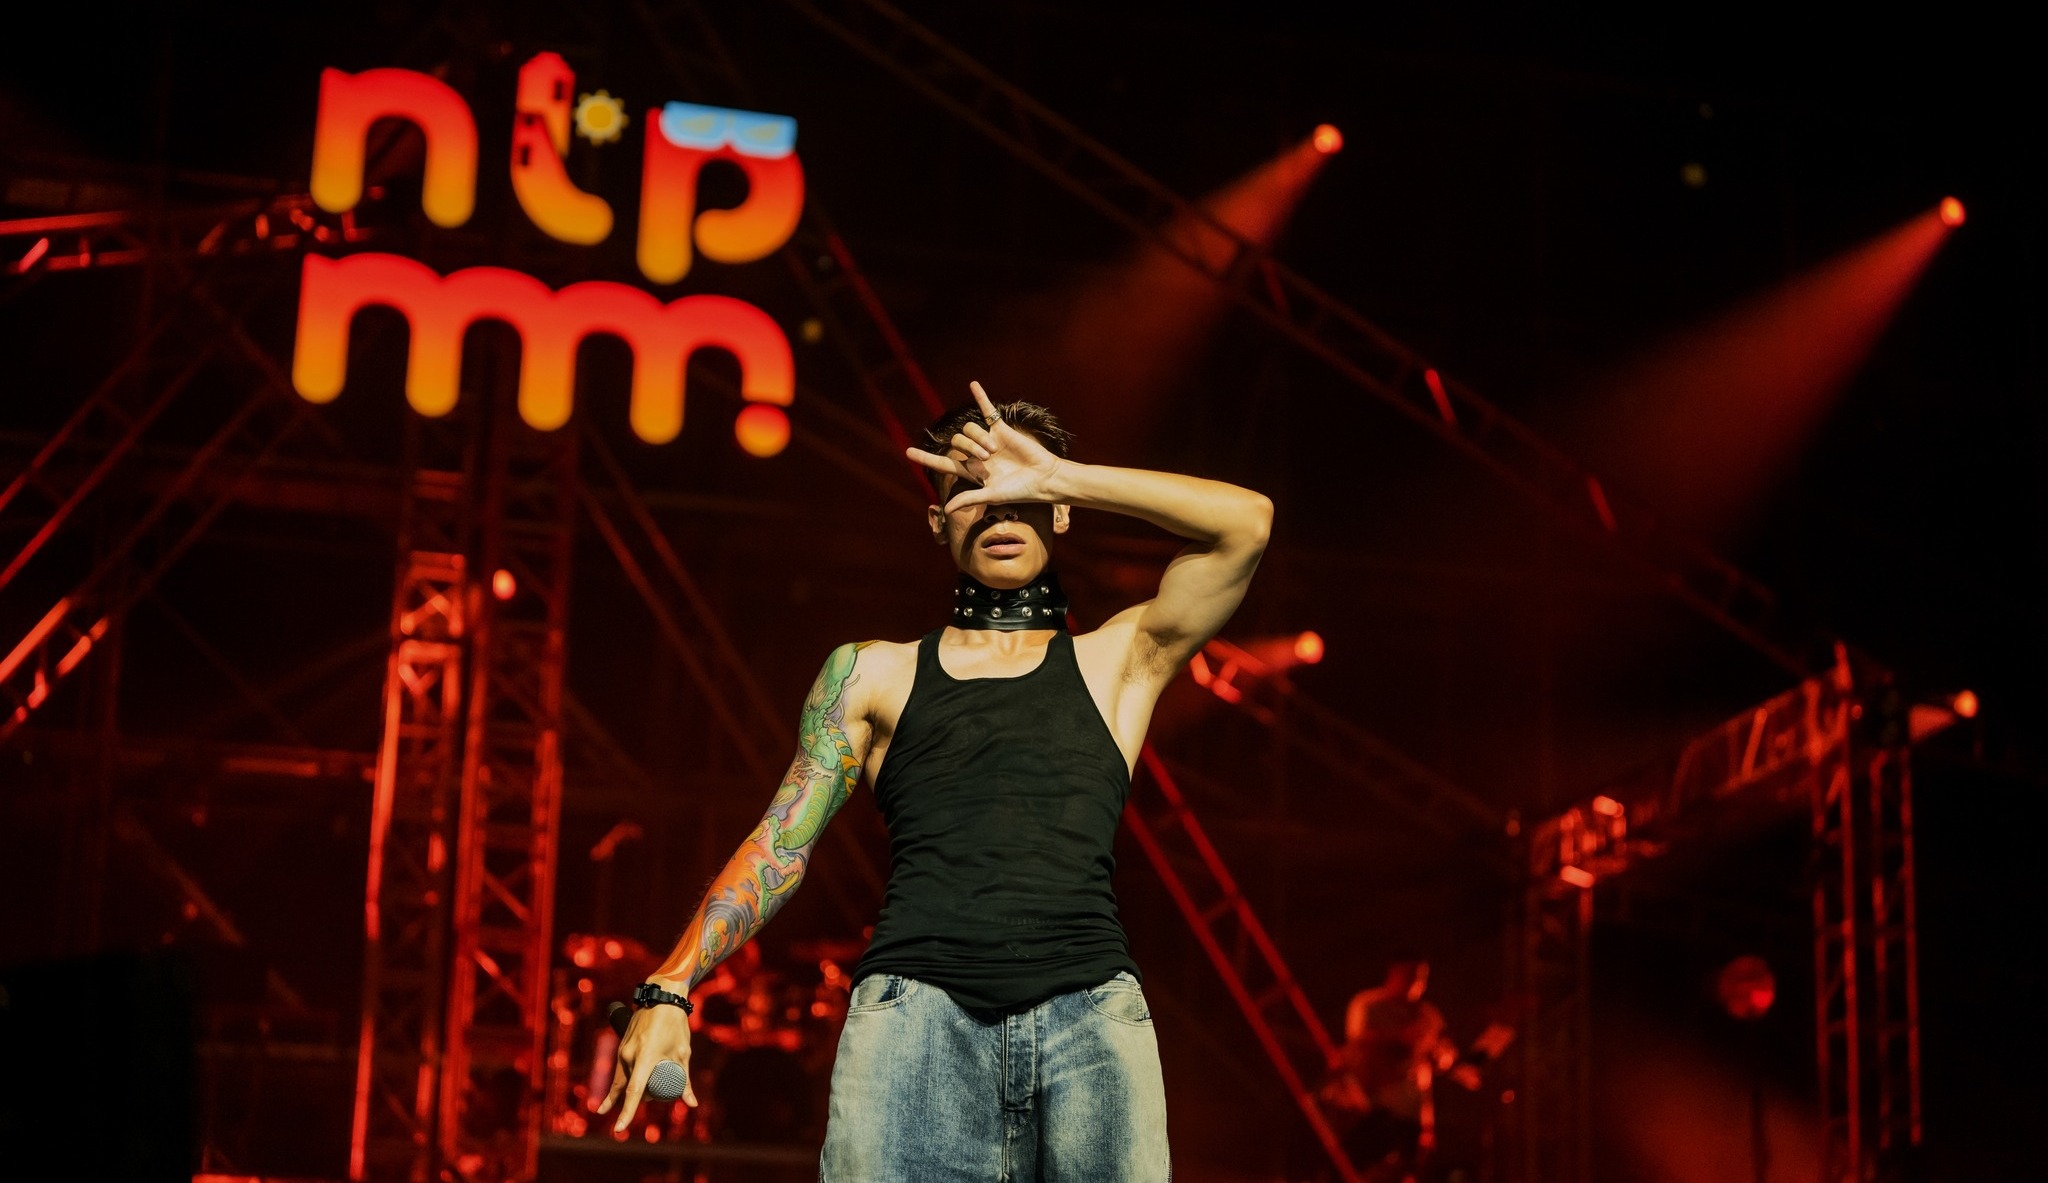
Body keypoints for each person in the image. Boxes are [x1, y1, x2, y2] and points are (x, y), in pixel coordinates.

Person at [601, 382, 1272, 1181]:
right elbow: (782, 842)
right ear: (936, 519)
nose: (1000, 508)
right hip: (913, 1026)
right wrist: (671, 985)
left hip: (1090, 1024)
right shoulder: (870, 673)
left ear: (1060, 513)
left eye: (1021, 492)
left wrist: (1058, 474)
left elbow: (1246, 524)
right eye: (974, 491)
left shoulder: (1120, 658)